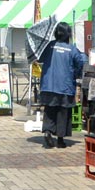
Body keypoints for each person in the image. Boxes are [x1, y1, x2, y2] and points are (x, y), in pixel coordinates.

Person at [37, 21, 86, 149]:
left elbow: (39, 59)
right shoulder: (72, 49)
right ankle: (60, 139)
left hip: (48, 85)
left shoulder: (48, 46)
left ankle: (48, 131)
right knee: (63, 112)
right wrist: (75, 73)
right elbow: (80, 63)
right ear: (68, 34)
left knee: (49, 110)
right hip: (65, 86)